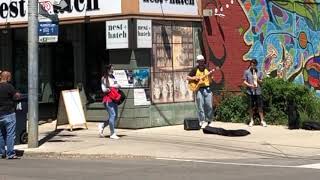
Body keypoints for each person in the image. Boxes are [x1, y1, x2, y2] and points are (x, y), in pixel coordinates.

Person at [187, 55, 215, 128]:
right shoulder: (195, 69)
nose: (201, 62)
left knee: (209, 105)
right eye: (200, 61)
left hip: (207, 89)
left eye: (202, 61)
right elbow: (187, 77)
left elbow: (211, 79)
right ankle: (202, 121)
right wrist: (194, 78)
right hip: (199, 89)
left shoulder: (207, 69)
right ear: (197, 62)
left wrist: (211, 75)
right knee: (200, 106)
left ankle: (209, 120)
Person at [0, 71, 21, 159]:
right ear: (8, 77)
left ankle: (1, 153)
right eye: (10, 77)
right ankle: (10, 154)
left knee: (0, 134)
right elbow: (16, 96)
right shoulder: (9, 86)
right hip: (9, 113)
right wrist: (18, 94)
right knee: (10, 134)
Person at [98, 64, 121, 139]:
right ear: (107, 70)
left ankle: (102, 125)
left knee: (115, 116)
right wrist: (112, 87)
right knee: (113, 115)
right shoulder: (104, 78)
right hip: (108, 99)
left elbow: (115, 84)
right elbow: (103, 89)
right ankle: (112, 133)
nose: (112, 71)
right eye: (111, 69)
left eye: (113, 69)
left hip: (114, 98)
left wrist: (118, 85)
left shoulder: (113, 77)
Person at [243, 59, 267, 127]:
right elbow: (244, 81)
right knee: (250, 107)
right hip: (250, 92)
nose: (253, 66)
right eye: (252, 64)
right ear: (250, 64)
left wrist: (258, 79)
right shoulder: (246, 72)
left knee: (260, 106)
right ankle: (251, 120)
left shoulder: (259, 72)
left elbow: (262, 82)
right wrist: (250, 86)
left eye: (254, 65)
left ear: (256, 65)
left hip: (258, 92)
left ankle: (262, 120)